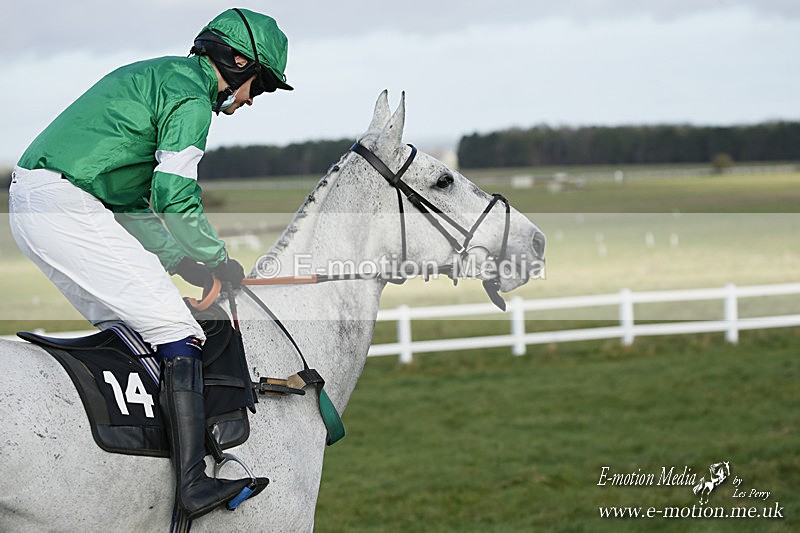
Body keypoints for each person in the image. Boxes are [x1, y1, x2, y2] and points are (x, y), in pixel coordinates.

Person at [8, 8, 292, 520]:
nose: (251, 100)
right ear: (236, 61)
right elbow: (174, 192)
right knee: (179, 330)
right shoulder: (191, 96)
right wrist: (218, 259)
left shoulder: (165, 77)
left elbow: (134, 204)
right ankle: (192, 485)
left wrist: (184, 261)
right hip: (64, 204)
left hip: (41, 203)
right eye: (260, 86)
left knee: (135, 328)